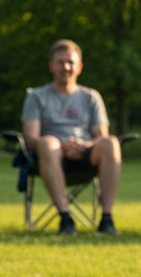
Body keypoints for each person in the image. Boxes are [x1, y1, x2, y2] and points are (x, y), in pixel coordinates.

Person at [21, 40, 122, 235]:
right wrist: (60, 146)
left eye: (70, 62)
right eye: (60, 62)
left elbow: (101, 136)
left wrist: (84, 145)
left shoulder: (91, 97)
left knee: (111, 143)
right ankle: (65, 218)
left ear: (79, 67)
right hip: (51, 155)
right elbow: (31, 138)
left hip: (85, 154)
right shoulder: (36, 96)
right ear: (51, 66)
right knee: (47, 143)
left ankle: (107, 218)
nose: (65, 67)